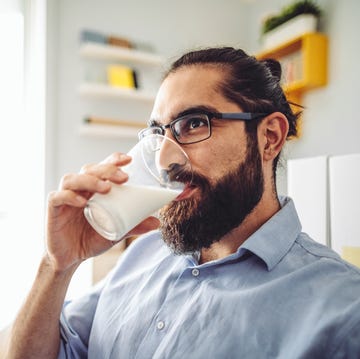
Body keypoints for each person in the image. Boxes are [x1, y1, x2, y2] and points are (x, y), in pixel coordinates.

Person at [5, 47, 360, 358]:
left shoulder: (343, 313)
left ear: (269, 137)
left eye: (193, 124)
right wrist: (57, 265)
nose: (164, 160)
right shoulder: (141, 257)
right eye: (159, 134)